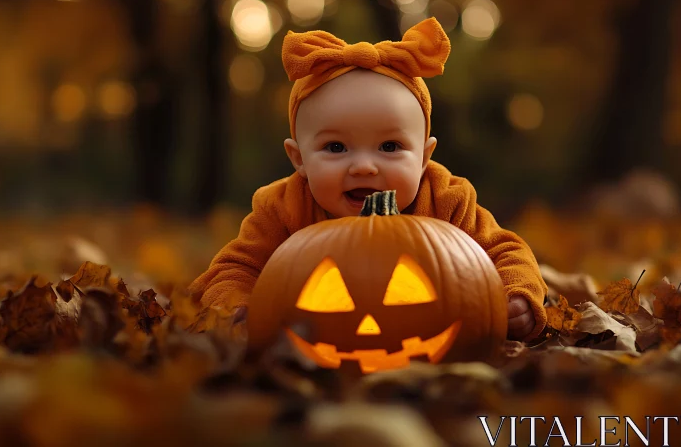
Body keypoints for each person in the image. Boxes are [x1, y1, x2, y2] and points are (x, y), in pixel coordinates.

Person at [189, 18, 548, 341]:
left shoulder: (446, 198)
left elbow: (505, 251)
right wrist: (236, 309)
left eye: (389, 146)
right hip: (317, 338)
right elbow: (235, 269)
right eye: (336, 147)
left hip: (424, 335)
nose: (363, 166)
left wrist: (517, 295)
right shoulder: (282, 207)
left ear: (424, 157)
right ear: (299, 159)